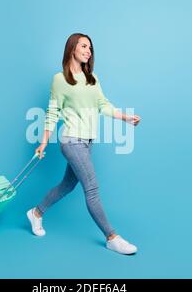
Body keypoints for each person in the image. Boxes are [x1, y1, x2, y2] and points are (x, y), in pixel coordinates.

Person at [27, 33, 141, 255]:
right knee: (92, 189)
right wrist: (43, 143)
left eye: (90, 48)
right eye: (84, 46)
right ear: (72, 49)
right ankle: (112, 237)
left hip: (87, 142)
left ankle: (36, 213)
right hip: (71, 140)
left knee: (67, 185)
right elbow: (52, 112)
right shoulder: (60, 79)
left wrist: (125, 117)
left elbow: (103, 105)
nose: (88, 51)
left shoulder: (93, 79)